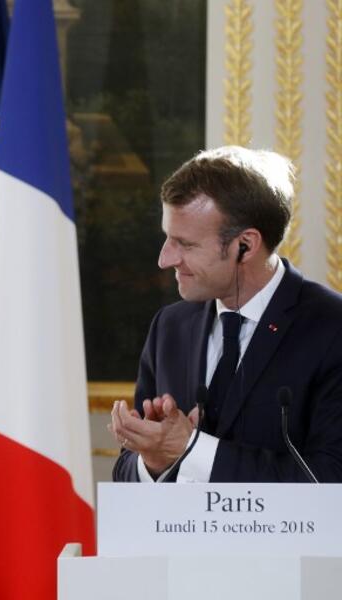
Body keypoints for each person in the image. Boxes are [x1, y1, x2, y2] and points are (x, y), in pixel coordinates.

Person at [112, 146, 342, 483]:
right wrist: (154, 460)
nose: (165, 259)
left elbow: (332, 480)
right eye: (167, 239)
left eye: (185, 244)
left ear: (245, 245)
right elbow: (127, 472)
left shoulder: (332, 328)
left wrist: (191, 449)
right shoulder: (170, 326)